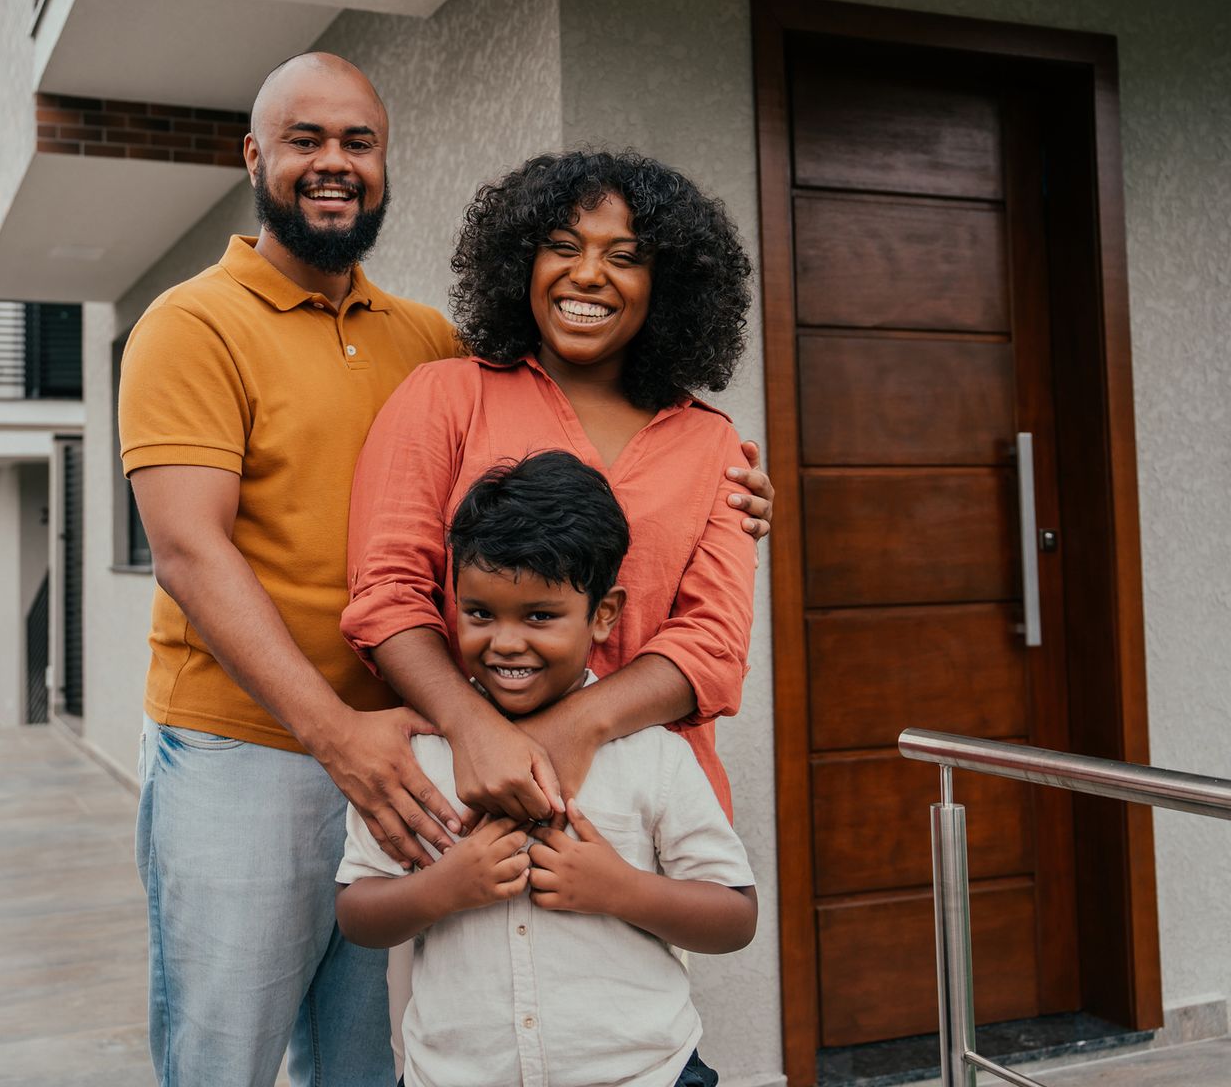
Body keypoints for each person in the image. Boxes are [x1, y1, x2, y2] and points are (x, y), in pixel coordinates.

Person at [119, 54, 774, 1086]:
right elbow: (230, 558)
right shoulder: (206, 327)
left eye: (358, 142)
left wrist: (559, 732)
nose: (588, 274)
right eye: (306, 139)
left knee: (400, 1049)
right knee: (232, 1044)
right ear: (254, 155)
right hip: (306, 741)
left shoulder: (421, 338)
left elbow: (710, 636)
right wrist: (430, 733)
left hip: (509, 770)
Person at [344, 150, 757, 825]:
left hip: (652, 811)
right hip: (469, 793)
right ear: (521, 265)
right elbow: (388, 595)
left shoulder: (713, 444)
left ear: (668, 286)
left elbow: (713, 644)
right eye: (562, 248)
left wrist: (576, 726)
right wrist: (475, 731)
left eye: (624, 257)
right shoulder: (446, 397)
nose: (587, 274)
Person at [337, 451, 757, 1087]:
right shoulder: (420, 756)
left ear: (604, 614)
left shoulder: (654, 754)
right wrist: (444, 888)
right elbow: (356, 913)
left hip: (645, 1074)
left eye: (540, 616)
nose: (506, 642)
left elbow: (735, 916)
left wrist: (619, 889)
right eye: (479, 613)